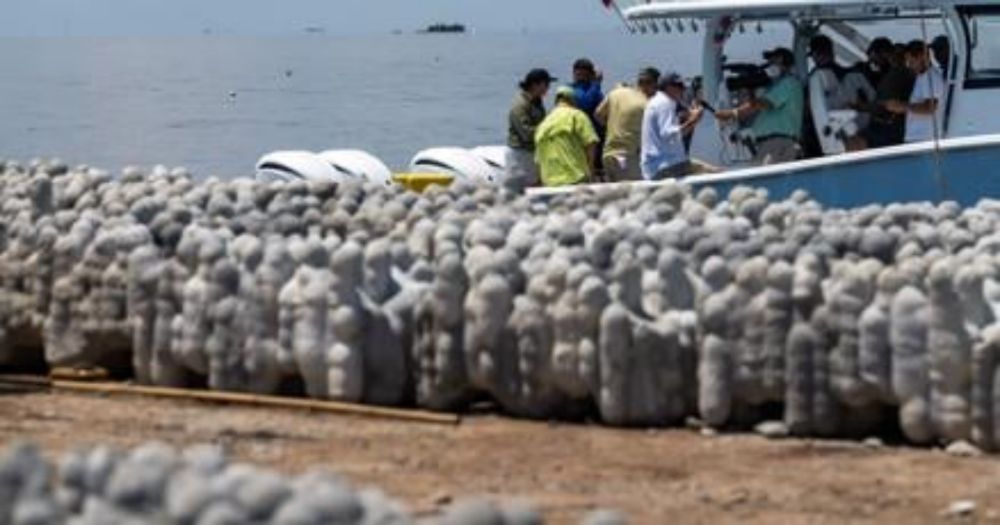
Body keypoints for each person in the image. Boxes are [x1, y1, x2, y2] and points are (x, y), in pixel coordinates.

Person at [716, 47, 805, 165]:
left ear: (782, 62)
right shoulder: (775, 86)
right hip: (770, 144)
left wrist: (733, 113)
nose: (770, 65)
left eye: (773, 61)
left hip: (778, 143)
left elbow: (764, 103)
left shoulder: (788, 83)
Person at [595, 67, 660, 182]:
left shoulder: (616, 93)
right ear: (651, 84)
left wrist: (614, 129)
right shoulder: (646, 105)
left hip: (608, 156)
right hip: (626, 159)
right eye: (656, 88)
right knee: (635, 196)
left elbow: (598, 115)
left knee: (616, 197)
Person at [640, 72, 706, 180]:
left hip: (656, 167)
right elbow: (669, 135)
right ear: (668, 87)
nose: (682, 89)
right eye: (679, 86)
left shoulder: (657, 101)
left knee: (706, 167)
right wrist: (694, 120)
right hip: (665, 167)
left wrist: (690, 115)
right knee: (711, 171)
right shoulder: (665, 103)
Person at [534, 86, 600, 187]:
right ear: (572, 100)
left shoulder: (543, 124)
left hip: (549, 182)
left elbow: (538, 160)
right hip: (575, 178)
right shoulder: (577, 115)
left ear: (556, 101)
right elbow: (591, 143)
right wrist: (591, 171)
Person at [505, 68, 555, 192]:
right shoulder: (520, 105)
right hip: (520, 154)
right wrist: (548, 128)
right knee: (522, 191)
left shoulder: (537, 102)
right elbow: (526, 134)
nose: (548, 88)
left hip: (532, 153)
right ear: (534, 85)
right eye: (546, 84)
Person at [886, 40, 944, 144]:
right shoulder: (921, 77)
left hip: (924, 139)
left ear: (922, 57)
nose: (909, 66)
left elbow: (930, 107)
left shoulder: (931, 77)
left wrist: (902, 107)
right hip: (916, 138)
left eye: (912, 61)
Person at [860, 39, 915, 148]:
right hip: (894, 127)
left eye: (874, 58)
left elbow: (885, 108)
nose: (873, 63)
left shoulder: (896, 76)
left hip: (889, 130)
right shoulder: (900, 73)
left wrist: (860, 106)